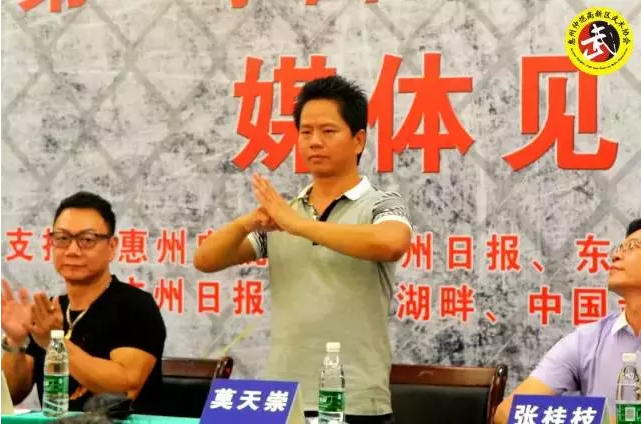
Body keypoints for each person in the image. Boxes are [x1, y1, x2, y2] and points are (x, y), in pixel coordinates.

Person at [194, 75, 412, 423]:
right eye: (306, 132)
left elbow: (391, 243)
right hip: (282, 398)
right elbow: (205, 260)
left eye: (328, 131)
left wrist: (299, 225)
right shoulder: (284, 214)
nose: (315, 141)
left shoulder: (381, 203)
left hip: (353, 399)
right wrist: (245, 223)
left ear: (358, 140)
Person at [1, 191, 166, 413]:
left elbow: (124, 388)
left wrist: (55, 342)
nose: (72, 250)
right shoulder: (49, 312)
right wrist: (15, 342)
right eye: (62, 239)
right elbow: (12, 393)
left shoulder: (135, 306)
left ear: (112, 247)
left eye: (87, 240)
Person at [494, 218, 641, 423]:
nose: (616, 255)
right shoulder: (589, 339)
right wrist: (605, 421)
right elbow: (507, 412)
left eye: (633, 246)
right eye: (619, 248)